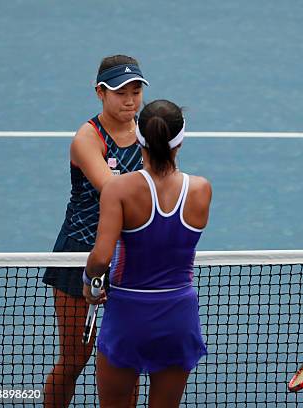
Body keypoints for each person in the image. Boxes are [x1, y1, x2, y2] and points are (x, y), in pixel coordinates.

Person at [83, 99, 211, 407]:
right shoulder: (201, 189)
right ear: (180, 141)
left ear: (139, 138)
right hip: (178, 317)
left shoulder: (119, 189)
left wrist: (89, 283)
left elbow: (101, 257)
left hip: (129, 316)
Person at [42, 55, 148, 407]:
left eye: (136, 91)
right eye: (120, 92)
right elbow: (113, 189)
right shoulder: (87, 138)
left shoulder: (148, 133)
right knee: (75, 360)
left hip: (131, 258)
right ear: (100, 93)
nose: (130, 100)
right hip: (80, 252)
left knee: (126, 362)